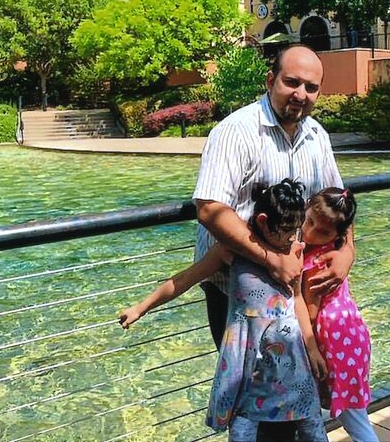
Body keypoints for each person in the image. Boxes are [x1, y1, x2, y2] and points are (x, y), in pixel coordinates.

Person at [193, 44, 355, 441]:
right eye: (292, 82)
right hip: (240, 297)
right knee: (258, 408)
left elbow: (339, 200)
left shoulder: (317, 136)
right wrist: (271, 258)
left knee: (297, 401)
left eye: (311, 87)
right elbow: (211, 209)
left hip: (294, 295)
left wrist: (347, 250)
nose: (301, 93)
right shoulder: (235, 131)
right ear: (270, 81)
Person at [119, 180, 328, 442]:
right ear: (263, 221)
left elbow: (296, 299)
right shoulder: (231, 251)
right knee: (241, 434)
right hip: (248, 365)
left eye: (295, 230)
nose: (292, 237)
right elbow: (185, 279)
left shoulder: (294, 250)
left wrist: (313, 349)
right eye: (286, 230)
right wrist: (141, 307)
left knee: (314, 432)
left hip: (293, 363)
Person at [301, 188, 378, 442]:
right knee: (355, 412)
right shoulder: (333, 255)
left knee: (355, 421)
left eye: (321, 231)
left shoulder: (314, 264)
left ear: (339, 234)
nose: (309, 232)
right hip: (352, 337)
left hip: (334, 344)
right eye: (308, 221)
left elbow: (311, 312)